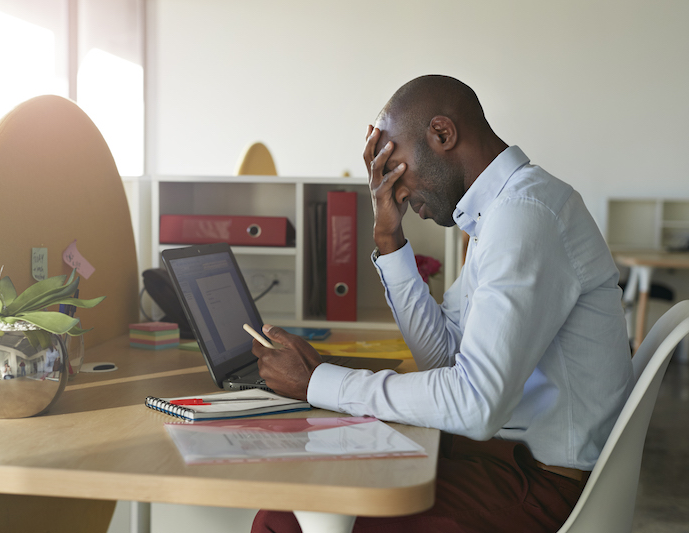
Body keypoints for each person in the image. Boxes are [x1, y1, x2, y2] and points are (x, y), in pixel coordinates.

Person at [250, 75, 634, 533]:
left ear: (442, 134)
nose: (394, 188)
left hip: (537, 486)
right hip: (497, 461)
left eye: (395, 167)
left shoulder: (525, 215)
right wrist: (389, 239)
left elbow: (476, 403)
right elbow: (444, 360)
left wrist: (319, 382)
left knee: (293, 518)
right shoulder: (498, 215)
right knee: (288, 503)